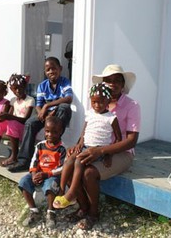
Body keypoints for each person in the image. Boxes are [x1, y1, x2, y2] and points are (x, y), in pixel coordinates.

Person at [61, 64, 140, 230]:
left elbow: (131, 141)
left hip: (121, 152)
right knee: (71, 162)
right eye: (108, 80)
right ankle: (82, 207)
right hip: (94, 148)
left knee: (89, 173)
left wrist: (102, 151)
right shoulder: (98, 102)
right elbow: (88, 129)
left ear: (123, 84)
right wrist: (77, 145)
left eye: (117, 80)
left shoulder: (132, 105)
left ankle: (94, 213)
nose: (113, 83)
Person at [53, 82, 122, 209]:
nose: (96, 105)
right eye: (94, 102)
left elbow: (118, 138)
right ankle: (62, 190)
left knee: (79, 161)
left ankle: (72, 193)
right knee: (69, 159)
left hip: (98, 150)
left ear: (108, 101)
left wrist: (108, 154)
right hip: (85, 146)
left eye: (100, 102)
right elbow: (84, 131)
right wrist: (79, 143)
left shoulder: (111, 118)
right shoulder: (90, 113)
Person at [8, 57, 73, 172]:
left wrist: (47, 106)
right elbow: (38, 105)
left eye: (54, 68)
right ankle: (24, 160)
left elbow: (68, 98)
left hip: (57, 114)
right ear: (45, 72)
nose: (51, 71)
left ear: (60, 69)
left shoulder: (64, 82)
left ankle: (54, 149)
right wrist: (42, 113)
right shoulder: (42, 85)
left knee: (64, 107)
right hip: (46, 114)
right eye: (48, 69)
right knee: (29, 123)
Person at [18, 116, 66, 229]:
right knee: (23, 181)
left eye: (54, 132)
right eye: (47, 131)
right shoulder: (40, 145)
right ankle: (34, 210)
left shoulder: (62, 149)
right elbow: (34, 161)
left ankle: (51, 211)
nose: (50, 135)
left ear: (60, 132)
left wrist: (47, 174)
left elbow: (62, 167)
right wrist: (34, 174)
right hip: (38, 172)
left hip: (51, 175)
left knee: (51, 186)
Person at [0, 74, 35, 166]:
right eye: (15, 88)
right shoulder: (13, 100)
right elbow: (9, 115)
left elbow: (25, 119)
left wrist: (9, 117)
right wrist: (2, 116)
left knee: (12, 123)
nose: (18, 90)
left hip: (24, 129)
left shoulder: (30, 100)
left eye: (20, 87)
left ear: (25, 86)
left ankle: (14, 157)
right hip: (14, 127)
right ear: (11, 89)